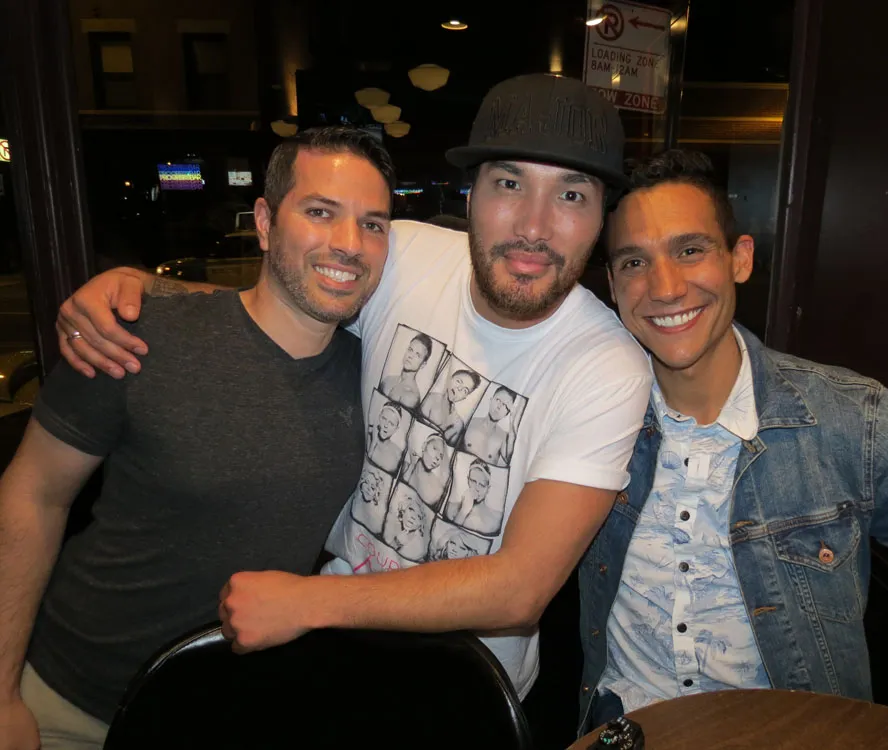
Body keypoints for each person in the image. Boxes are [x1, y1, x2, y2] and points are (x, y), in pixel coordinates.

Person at [53, 73, 652, 704]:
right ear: (472, 194)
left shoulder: (607, 366)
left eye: (572, 195)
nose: (534, 226)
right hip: (323, 656)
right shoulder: (408, 256)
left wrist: (308, 601)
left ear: (600, 220)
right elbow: (287, 302)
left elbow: (518, 590)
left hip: (463, 686)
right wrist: (143, 289)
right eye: (509, 184)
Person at [577, 149, 888, 732]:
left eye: (690, 250)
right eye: (634, 262)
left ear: (740, 259)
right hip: (625, 729)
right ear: (612, 284)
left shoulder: (855, 421)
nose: (665, 287)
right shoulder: (589, 419)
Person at [0, 126, 394, 750]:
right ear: (264, 223)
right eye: (320, 212)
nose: (349, 243)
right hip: (75, 702)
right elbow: (32, 494)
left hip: (234, 712)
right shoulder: (137, 337)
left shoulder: (374, 374)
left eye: (372, 224)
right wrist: (1, 692)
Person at [420, 369, 481, 444]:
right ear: (449, 380)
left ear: (464, 397)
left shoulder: (458, 424)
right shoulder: (431, 399)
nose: (459, 388)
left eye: (465, 390)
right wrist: (445, 425)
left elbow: (447, 447)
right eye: (458, 381)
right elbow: (419, 430)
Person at [463, 386, 517, 466]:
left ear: (507, 413)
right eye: (498, 400)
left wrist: (513, 421)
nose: (499, 407)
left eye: (505, 405)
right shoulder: (470, 423)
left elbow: (510, 461)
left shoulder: (503, 437)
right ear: (491, 400)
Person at [380, 332, 433, 408]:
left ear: (423, 364)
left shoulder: (412, 397)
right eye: (410, 350)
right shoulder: (387, 379)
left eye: (417, 355)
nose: (410, 356)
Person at [403, 433, 449, 507]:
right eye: (435, 449)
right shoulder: (405, 467)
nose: (437, 457)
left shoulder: (438, 488)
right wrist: (412, 465)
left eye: (441, 456)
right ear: (424, 445)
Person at [367, 402, 405, 472]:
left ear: (396, 429)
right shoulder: (367, 437)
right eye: (384, 419)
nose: (386, 425)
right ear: (379, 417)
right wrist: (373, 442)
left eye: (391, 424)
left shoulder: (398, 454)